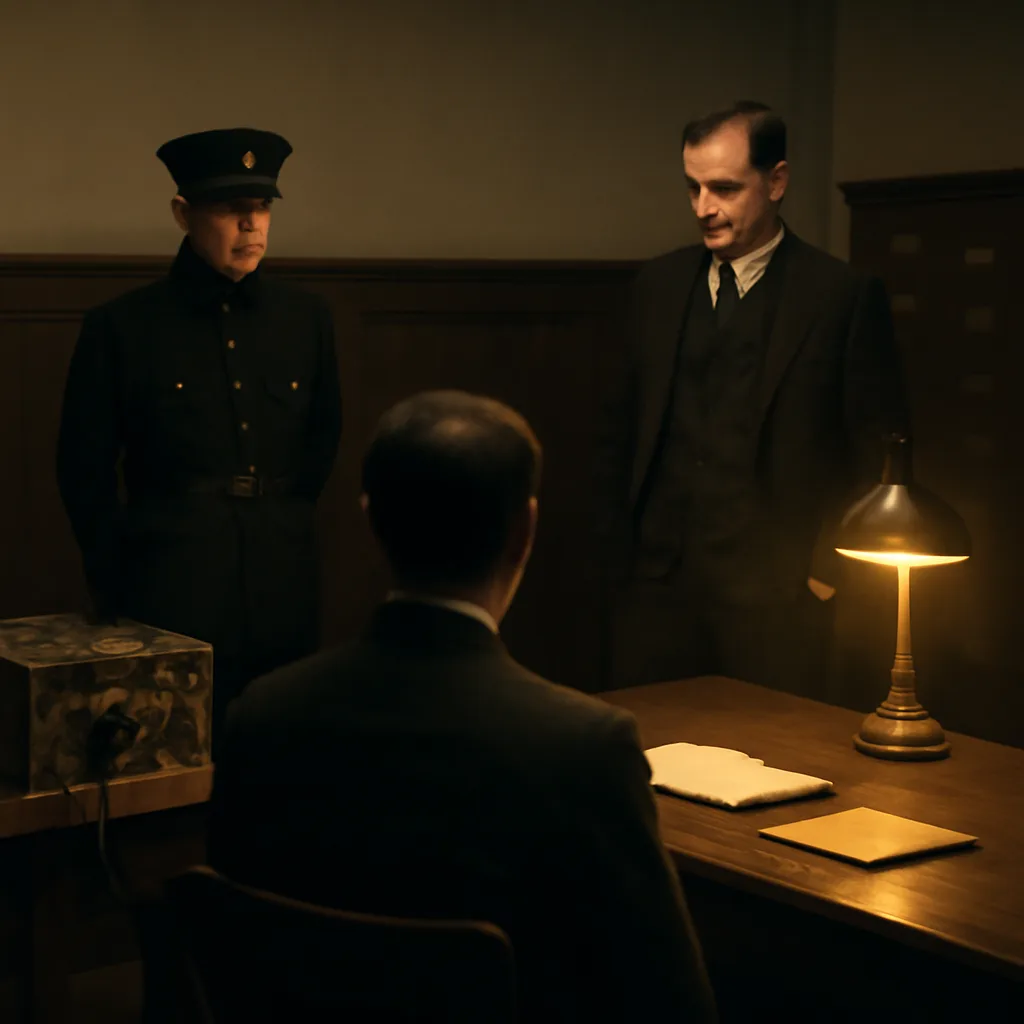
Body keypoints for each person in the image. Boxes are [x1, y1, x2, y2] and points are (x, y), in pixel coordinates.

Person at [208, 391, 718, 1022]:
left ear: (371, 519)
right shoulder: (583, 747)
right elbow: (672, 1004)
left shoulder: (261, 715)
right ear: (525, 529)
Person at [594, 101, 908, 697]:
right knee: (649, 754)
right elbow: (617, 429)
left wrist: (826, 571)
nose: (703, 208)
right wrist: (616, 554)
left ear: (777, 181)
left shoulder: (839, 295)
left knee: (775, 760)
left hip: (777, 596)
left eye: (724, 188)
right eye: (693, 188)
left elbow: (877, 443)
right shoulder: (657, 286)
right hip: (656, 586)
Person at [55, 127, 342, 745]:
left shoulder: (305, 319)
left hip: (280, 575)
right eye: (230, 209)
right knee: (169, 765)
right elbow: (84, 467)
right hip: (172, 580)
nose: (251, 226)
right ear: (184, 214)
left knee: (282, 756)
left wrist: (285, 521)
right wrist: (115, 577)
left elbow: (322, 442)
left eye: (262, 208)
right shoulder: (125, 326)